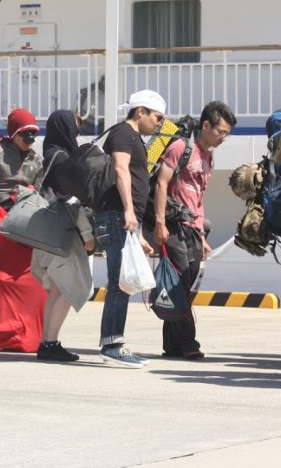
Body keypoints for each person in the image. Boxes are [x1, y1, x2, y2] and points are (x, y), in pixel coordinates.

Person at [151, 101, 235, 360]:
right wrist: (160, 222)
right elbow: (162, 184)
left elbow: (198, 198)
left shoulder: (208, 156)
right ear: (206, 125)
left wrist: (201, 235)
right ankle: (189, 343)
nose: (223, 138)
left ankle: (171, 345)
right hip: (174, 225)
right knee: (180, 282)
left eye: (227, 134)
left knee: (184, 285)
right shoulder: (181, 147)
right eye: (221, 132)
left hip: (193, 229)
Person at [95, 89, 164, 368]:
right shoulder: (123, 133)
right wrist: (128, 210)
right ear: (141, 112)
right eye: (157, 117)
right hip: (117, 216)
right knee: (119, 282)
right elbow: (121, 170)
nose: (159, 123)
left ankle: (112, 342)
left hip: (123, 220)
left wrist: (138, 235)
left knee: (122, 282)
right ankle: (112, 344)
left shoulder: (133, 137)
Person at [31, 110, 95, 362]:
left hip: (51, 231)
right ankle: (49, 342)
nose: (76, 133)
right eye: (74, 128)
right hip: (64, 231)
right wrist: (87, 232)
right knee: (68, 289)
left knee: (58, 290)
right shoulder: (61, 158)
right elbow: (69, 199)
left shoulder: (50, 153)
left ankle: (47, 343)